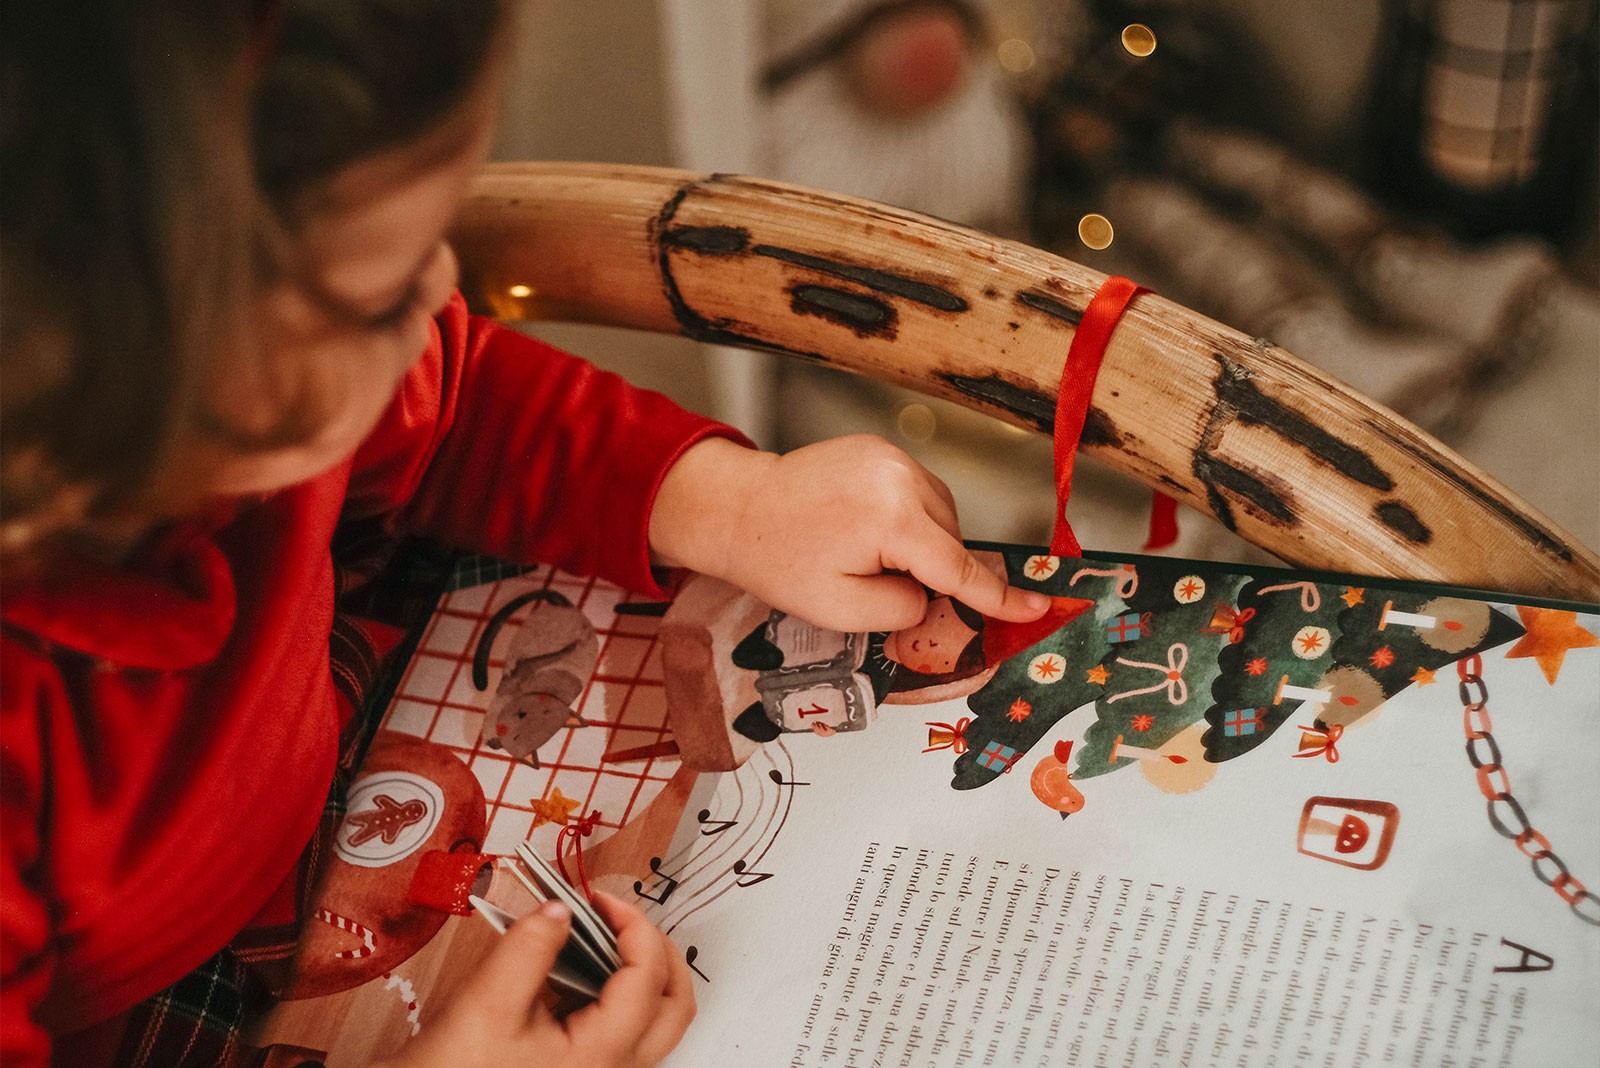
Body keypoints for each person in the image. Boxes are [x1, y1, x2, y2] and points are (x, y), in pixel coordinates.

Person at [0, 2, 1051, 1066]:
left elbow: (452, 410)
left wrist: (725, 499)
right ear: (127, 386)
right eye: (380, 301)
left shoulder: (237, 374)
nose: (447, 296)